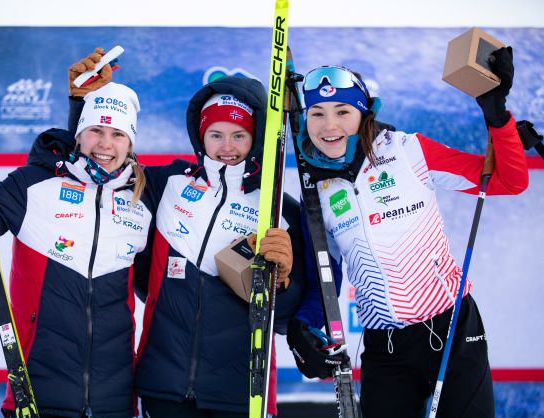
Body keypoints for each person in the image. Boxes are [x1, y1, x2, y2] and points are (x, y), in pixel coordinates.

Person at [285, 46, 528, 418]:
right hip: (387, 348)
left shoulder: (407, 152)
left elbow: (508, 181)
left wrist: (498, 118)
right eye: (317, 113)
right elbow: (325, 278)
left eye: (342, 112)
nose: (328, 125)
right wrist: (304, 327)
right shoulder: (317, 192)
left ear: (365, 114)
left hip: (451, 331)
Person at [67, 50, 307, 417]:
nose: (227, 147)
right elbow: (97, 168)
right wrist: (81, 107)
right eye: (216, 134)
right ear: (200, 135)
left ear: (255, 137)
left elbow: (287, 318)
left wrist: (282, 282)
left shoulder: (279, 210)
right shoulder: (165, 184)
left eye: (239, 135)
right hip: (164, 385)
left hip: (241, 393)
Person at [0, 81, 153, 417]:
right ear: (78, 135)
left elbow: (159, 289)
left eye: (117, 134)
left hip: (115, 402)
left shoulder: (143, 201)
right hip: (36, 394)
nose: (105, 144)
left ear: (130, 143)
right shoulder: (34, 185)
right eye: (96, 130)